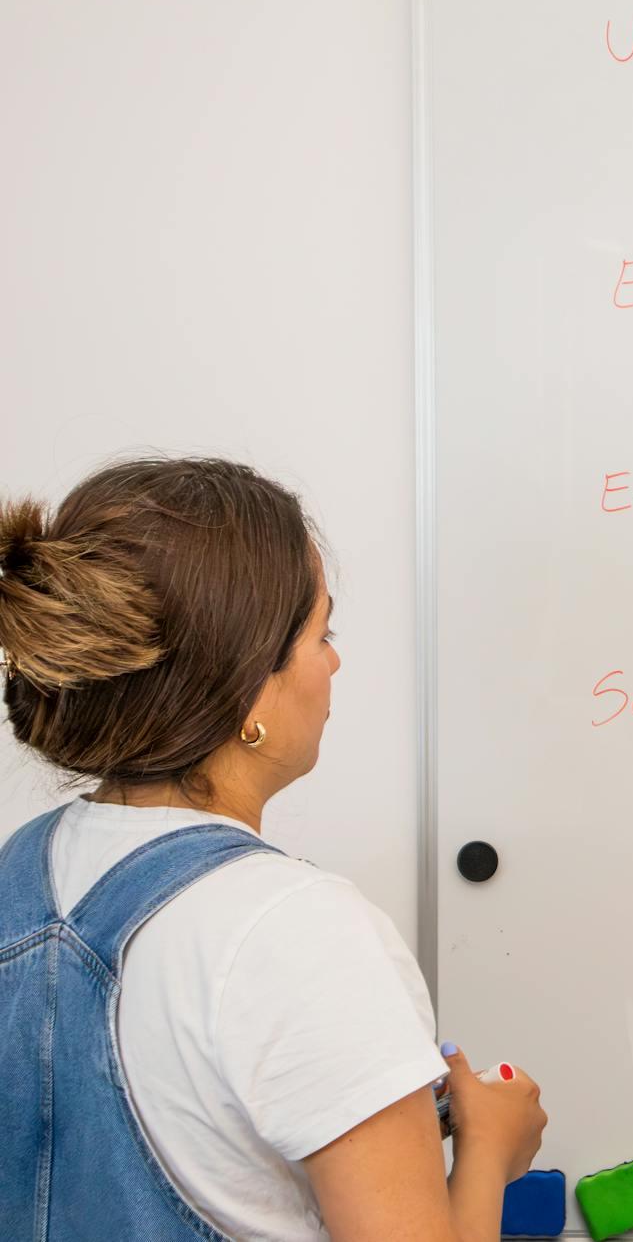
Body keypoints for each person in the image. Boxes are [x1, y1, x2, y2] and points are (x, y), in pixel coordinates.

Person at [0, 458, 547, 1240]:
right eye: (320, 632)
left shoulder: (17, 870)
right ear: (249, 697)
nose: (333, 661)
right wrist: (491, 1148)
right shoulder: (297, 931)